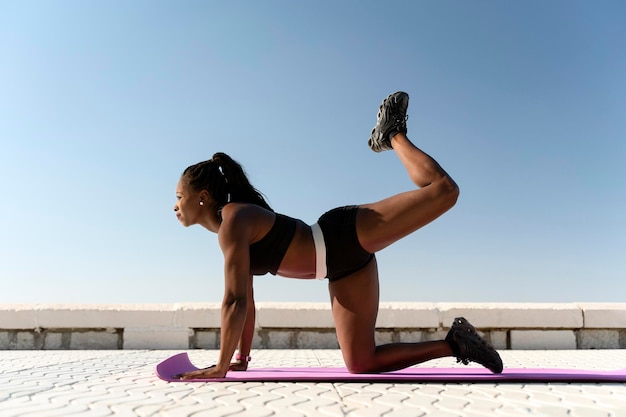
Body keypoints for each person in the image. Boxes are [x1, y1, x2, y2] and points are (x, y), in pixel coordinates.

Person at [174, 91, 503, 380]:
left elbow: (235, 302)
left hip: (342, 235)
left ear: (202, 197)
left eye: (179, 196)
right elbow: (246, 300)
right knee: (361, 363)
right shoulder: (233, 227)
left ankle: (393, 135)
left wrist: (218, 366)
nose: (175, 205)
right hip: (341, 269)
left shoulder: (234, 219)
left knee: (444, 191)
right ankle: (455, 343)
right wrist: (239, 360)